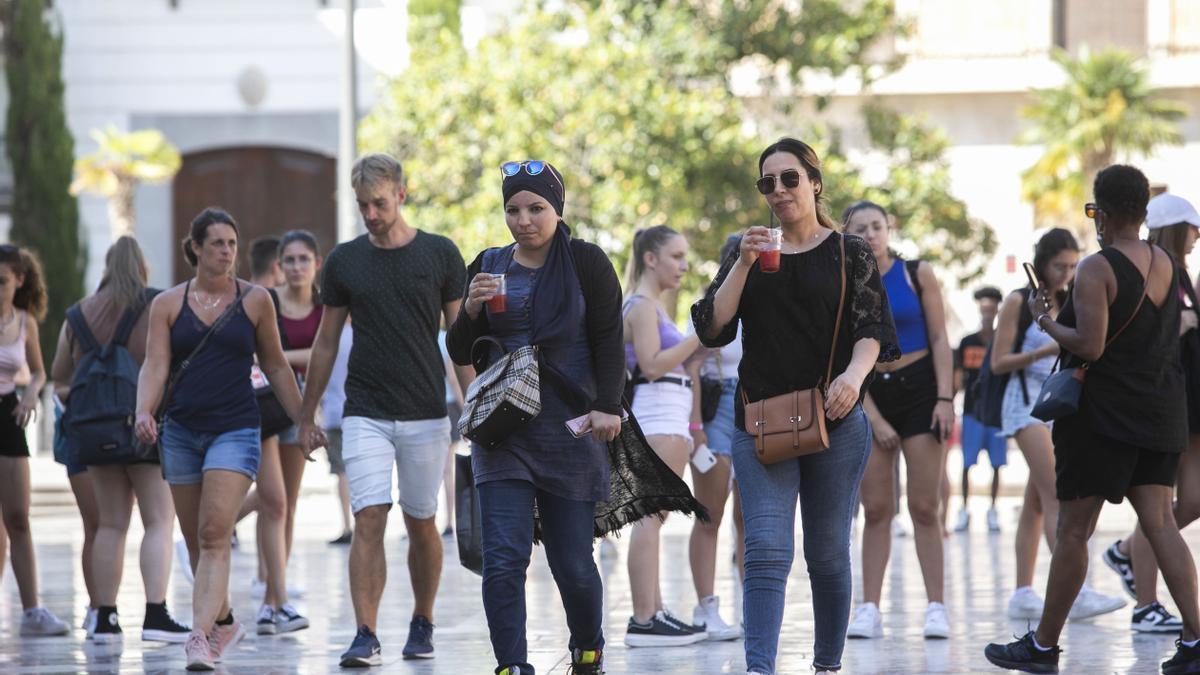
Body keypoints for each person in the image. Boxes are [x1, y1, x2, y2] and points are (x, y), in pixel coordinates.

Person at [692, 138, 899, 674]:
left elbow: (872, 328)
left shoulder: (849, 250)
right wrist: (741, 262)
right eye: (768, 183)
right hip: (760, 421)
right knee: (764, 550)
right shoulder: (749, 248)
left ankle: (826, 665)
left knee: (827, 554)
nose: (779, 190)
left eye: (789, 178)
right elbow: (713, 328)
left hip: (835, 420)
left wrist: (854, 378)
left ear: (814, 182)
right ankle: (760, 667)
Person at [985, 164, 1200, 675]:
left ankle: (1041, 646)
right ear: (1144, 213)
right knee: (1162, 523)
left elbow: (1091, 345)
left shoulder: (1096, 268)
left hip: (1103, 417)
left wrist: (1044, 321)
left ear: (1100, 213)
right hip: (1161, 411)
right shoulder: (1170, 263)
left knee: (1075, 530)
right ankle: (1195, 640)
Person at [448, 159, 623, 675]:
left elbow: (609, 340)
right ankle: (511, 665)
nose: (523, 219)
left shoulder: (587, 262)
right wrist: (472, 310)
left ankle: (587, 648)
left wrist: (607, 405)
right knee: (503, 558)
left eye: (536, 208)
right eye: (513, 209)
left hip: (568, 429)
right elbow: (461, 348)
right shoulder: (488, 262)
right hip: (503, 430)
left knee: (572, 564)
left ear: (557, 209)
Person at [297, 153, 466, 666]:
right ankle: (365, 632)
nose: (370, 213)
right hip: (364, 409)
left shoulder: (439, 254)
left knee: (422, 520)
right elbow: (326, 343)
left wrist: (476, 405)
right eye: (362, 205)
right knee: (368, 515)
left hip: (425, 411)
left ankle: (423, 618)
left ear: (401, 194)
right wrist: (305, 416)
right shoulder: (346, 262)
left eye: (379, 203)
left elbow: (459, 340)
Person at [135, 207, 309, 670]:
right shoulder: (168, 305)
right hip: (181, 430)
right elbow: (155, 364)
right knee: (196, 539)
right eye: (217, 244)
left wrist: (303, 421)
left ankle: (200, 636)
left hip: (235, 427)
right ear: (195, 248)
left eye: (232, 243)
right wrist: (143, 411)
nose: (227, 252)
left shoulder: (255, 301)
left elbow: (275, 365)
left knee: (214, 533)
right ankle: (225, 619)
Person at [51, 236, 190, 644]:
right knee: (159, 522)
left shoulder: (78, 315)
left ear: (107, 268)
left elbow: (62, 376)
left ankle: (106, 617)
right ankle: (155, 615)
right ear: (143, 268)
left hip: (95, 432)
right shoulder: (158, 305)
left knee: (110, 525)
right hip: (147, 426)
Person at [990, 228, 1125, 622]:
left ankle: (1022, 592)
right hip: (1023, 406)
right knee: (1056, 493)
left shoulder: (1068, 297)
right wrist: (1049, 346)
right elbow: (998, 362)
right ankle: (1074, 591)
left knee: (1035, 503)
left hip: (1057, 403)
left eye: (1072, 265)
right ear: (1042, 262)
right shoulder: (1018, 301)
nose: (1067, 273)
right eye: (1059, 265)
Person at [842, 200, 954, 640]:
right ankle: (869, 607)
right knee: (876, 509)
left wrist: (945, 397)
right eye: (861, 228)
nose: (871, 234)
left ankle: (936, 607)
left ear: (889, 230)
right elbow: (841, 356)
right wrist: (872, 414)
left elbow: (942, 337)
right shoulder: (846, 282)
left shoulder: (917, 273)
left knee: (925, 507)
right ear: (848, 236)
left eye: (877, 226)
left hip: (922, 388)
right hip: (870, 392)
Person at [1101, 192, 1200, 633]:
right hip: (1165, 401)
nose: (1197, 236)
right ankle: (1146, 602)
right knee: (1158, 508)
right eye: (1193, 227)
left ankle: (1124, 551)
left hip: (1189, 398)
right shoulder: (1156, 269)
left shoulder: (1182, 275)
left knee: (1191, 501)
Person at [621, 225, 707, 647]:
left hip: (666, 416)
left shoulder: (650, 306)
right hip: (657, 416)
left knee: (652, 518)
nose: (684, 266)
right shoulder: (640, 307)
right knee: (650, 519)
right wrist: (697, 338)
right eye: (676, 256)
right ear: (651, 258)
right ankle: (643, 618)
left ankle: (653, 610)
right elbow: (653, 365)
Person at [249, 230, 323, 636]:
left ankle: (274, 597)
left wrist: (281, 357)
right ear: (279, 265)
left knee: (286, 504)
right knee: (272, 501)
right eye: (289, 260)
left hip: (301, 410)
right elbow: (261, 355)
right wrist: (295, 358)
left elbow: (327, 352)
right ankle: (270, 600)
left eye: (303, 259)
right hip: (262, 407)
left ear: (317, 263)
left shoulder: (325, 307)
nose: (296, 267)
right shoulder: (268, 302)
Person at [0, 244, 69, 637]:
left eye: (2, 282)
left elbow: (41, 373)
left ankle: (31, 611)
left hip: (9, 415)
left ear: (19, 281)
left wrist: (29, 394)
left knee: (17, 518)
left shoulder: (25, 322)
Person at [685, 233, 745, 642]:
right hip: (719, 405)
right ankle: (707, 606)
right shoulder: (714, 313)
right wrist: (696, 430)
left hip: (763, 405)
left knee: (752, 518)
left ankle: (751, 602)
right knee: (711, 514)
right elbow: (689, 369)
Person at [953, 286, 1006, 533]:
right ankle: (964, 509)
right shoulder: (967, 341)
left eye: (991, 306)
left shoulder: (1002, 340)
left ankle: (993, 510)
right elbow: (957, 376)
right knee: (966, 463)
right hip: (972, 411)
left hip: (996, 413)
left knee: (997, 464)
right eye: (983, 306)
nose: (987, 311)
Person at [322, 317, 354, 545]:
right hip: (359, 410)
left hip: (333, 412)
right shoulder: (359, 335)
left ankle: (347, 525)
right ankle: (360, 522)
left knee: (341, 471)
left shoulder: (327, 337)